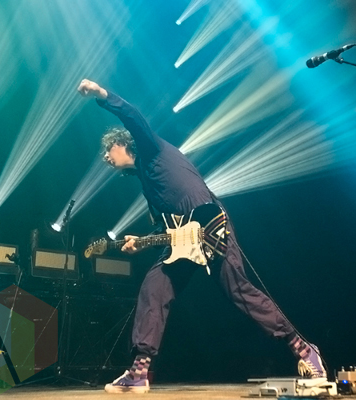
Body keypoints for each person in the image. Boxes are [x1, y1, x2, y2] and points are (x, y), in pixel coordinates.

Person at [77, 79, 325, 394]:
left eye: (107, 150)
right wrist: (141, 242)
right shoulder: (147, 181)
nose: (105, 157)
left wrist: (102, 94)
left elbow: (133, 117)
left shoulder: (151, 149)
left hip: (209, 225)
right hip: (183, 242)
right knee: (154, 288)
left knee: (239, 291)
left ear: (122, 143)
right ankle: (139, 371)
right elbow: (170, 226)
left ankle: (304, 350)